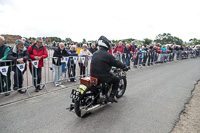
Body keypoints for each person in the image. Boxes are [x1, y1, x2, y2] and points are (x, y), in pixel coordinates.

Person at [91, 36, 127, 103]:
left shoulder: (95, 53)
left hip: (93, 75)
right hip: (103, 76)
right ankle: (111, 97)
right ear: (107, 45)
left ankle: (101, 95)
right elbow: (116, 62)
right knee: (116, 80)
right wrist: (124, 66)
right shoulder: (108, 55)